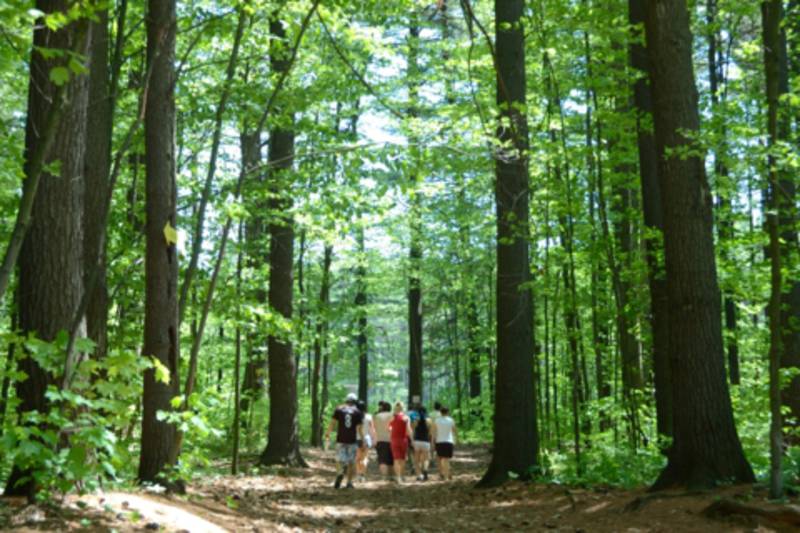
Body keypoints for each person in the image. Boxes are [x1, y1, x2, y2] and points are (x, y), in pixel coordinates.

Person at [324, 392, 364, 489]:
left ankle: (340, 472)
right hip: (352, 440)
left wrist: (327, 433)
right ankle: (349, 482)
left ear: (346, 400)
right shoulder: (358, 412)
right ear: (355, 402)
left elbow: (333, 423)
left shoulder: (339, 409)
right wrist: (362, 439)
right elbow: (359, 429)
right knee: (351, 462)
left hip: (340, 439)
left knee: (339, 459)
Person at [388, 401, 413, 483]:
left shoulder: (392, 417)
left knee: (396, 459)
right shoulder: (406, 418)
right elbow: (409, 431)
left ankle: (398, 477)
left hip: (394, 440)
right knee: (402, 459)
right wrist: (412, 440)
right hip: (403, 440)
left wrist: (393, 432)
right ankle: (402, 476)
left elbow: (388, 428)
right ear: (403, 408)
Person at [432, 406, 457, 480]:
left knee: (440, 458)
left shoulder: (437, 420)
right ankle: (446, 475)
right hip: (449, 441)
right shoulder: (451, 420)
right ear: (448, 412)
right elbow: (454, 430)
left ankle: (443, 474)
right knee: (446, 459)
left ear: (440, 412)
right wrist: (456, 439)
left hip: (439, 441)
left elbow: (433, 432)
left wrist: (433, 441)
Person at [355, 399, 376, 481]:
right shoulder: (369, 416)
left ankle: (358, 474)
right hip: (367, 439)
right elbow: (372, 429)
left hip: (356, 439)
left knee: (357, 459)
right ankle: (362, 475)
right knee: (365, 458)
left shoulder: (355, 417)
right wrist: (374, 438)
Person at [373, 401, 394, 478]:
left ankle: (384, 477)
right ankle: (391, 476)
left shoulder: (377, 416)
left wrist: (374, 439)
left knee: (382, 459)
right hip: (391, 439)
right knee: (391, 459)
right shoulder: (392, 415)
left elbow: (374, 428)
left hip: (380, 439)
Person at [411, 405, 432, 481]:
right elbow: (430, 432)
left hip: (417, 441)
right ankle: (425, 469)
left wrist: (412, 440)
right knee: (426, 458)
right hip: (426, 441)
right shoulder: (429, 420)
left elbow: (413, 431)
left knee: (417, 460)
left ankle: (419, 475)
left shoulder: (415, 420)